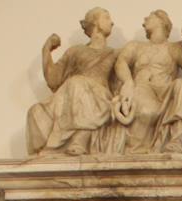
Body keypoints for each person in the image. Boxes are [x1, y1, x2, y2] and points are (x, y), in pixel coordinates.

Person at [110, 10, 182, 155]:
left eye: (150, 16)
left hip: (166, 91)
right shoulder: (135, 46)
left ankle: (177, 142)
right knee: (147, 111)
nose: (145, 18)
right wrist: (128, 82)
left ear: (162, 21)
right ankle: (140, 149)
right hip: (143, 87)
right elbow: (121, 62)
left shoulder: (173, 48)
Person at [26, 7, 121, 156]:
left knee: (77, 83)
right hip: (71, 95)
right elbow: (54, 79)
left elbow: (120, 84)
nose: (112, 22)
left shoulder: (115, 54)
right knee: (35, 111)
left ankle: (79, 140)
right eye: (107, 18)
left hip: (101, 98)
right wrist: (46, 50)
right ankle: (47, 151)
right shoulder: (75, 51)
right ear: (95, 22)